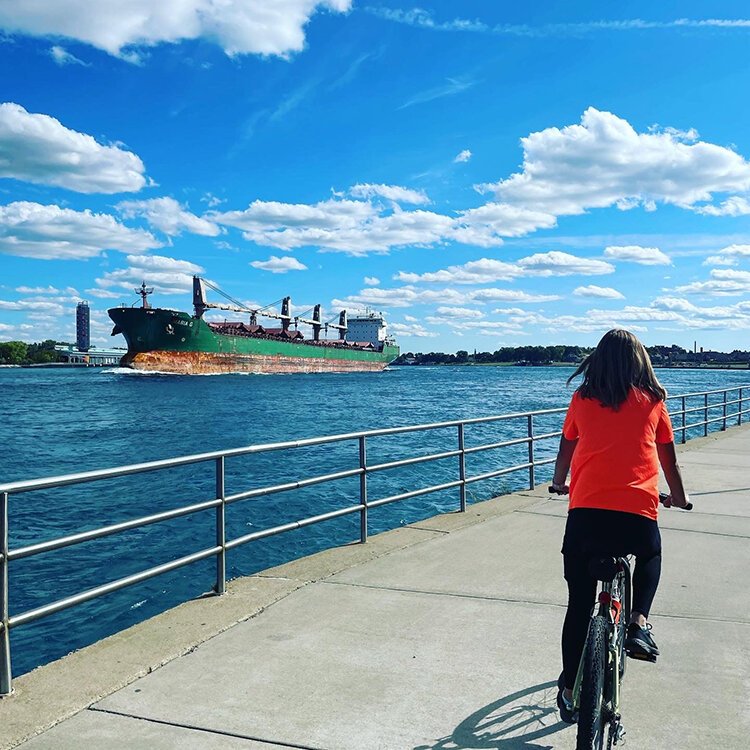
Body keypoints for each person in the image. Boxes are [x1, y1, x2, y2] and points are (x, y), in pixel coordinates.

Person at [550, 329, 689, 724]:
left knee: (579, 604)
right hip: (635, 515)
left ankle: (569, 690)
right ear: (640, 361)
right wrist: (678, 498)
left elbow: (567, 447)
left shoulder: (581, 399)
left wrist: (561, 482)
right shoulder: (653, 402)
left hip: (586, 517)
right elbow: (669, 462)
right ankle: (639, 623)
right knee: (650, 553)